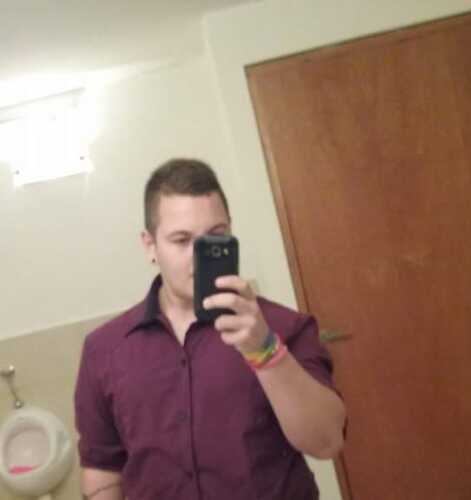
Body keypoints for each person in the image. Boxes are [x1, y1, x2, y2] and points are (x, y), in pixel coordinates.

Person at [75, 158, 346, 500]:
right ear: (150, 246)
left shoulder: (282, 327)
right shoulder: (104, 350)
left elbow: (326, 442)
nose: (198, 256)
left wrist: (266, 352)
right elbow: (102, 468)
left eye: (215, 237)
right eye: (181, 240)